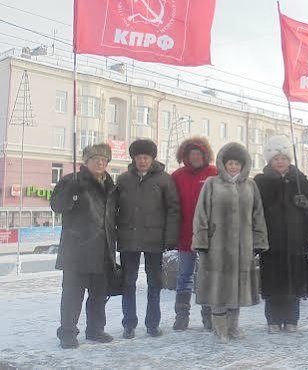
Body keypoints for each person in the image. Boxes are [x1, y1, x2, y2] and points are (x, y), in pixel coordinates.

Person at [192, 142, 269, 343]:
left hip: (242, 246)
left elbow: (258, 214)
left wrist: (259, 240)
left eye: (237, 163)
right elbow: (201, 213)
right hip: (216, 246)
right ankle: (219, 328)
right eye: (230, 163)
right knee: (218, 287)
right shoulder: (212, 184)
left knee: (237, 287)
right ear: (223, 164)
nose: (233, 167)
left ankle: (233, 326)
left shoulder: (251, 185)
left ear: (243, 165)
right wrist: (201, 240)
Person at [50, 143, 117, 349]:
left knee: (98, 295)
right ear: (85, 162)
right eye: (96, 158)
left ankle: (95, 330)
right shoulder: (71, 180)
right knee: (72, 295)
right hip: (76, 250)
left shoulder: (110, 185)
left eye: (104, 160)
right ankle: (68, 333)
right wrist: (71, 191)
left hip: (103, 249)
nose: (100, 162)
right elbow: (57, 206)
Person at [116, 139, 180, 339]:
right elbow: (113, 208)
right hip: (129, 237)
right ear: (133, 159)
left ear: (152, 158)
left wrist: (170, 238)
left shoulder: (164, 180)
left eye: (146, 157)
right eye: (138, 157)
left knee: (154, 283)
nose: (142, 161)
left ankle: (152, 324)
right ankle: (129, 324)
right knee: (128, 282)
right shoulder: (124, 179)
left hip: (154, 239)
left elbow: (173, 209)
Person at [254, 135, 308, 333]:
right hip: (271, 240)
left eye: (284, 158)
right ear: (270, 161)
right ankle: (273, 319)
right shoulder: (260, 182)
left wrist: (305, 204)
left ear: (289, 160)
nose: (281, 162)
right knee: (273, 281)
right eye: (276, 158)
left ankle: (291, 319)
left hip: (295, 240)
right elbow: (255, 210)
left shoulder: (300, 180)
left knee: (293, 281)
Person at [171, 136, 218, 331]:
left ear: (205, 155)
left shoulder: (214, 173)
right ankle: (182, 316)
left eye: (199, 154)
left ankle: (208, 315)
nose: (196, 157)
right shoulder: (177, 176)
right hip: (185, 234)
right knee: (184, 276)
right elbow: (172, 205)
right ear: (185, 156)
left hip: (208, 235)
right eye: (192, 154)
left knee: (207, 275)